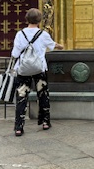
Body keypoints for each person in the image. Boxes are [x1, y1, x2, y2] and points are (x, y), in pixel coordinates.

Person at [11, 8, 63, 137]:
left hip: (23, 69)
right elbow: (52, 45)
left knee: (22, 96)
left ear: (26, 19)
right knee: (43, 94)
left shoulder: (20, 34)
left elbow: (15, 53)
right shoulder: (43, 34)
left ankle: (19, 127)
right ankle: (45, 122)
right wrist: (60, 46)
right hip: (39, 69)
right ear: (39, 20)